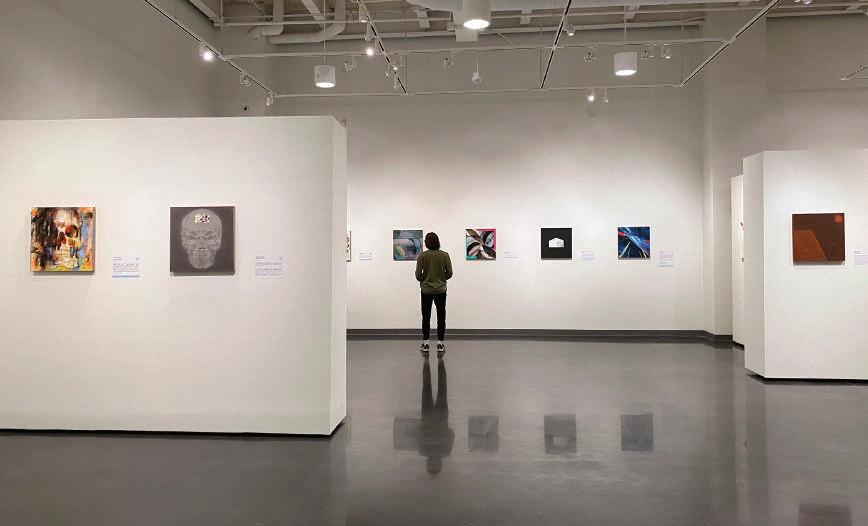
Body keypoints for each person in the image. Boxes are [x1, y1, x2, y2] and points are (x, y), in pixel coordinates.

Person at [415, 232, 453, 359]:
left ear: (426, 243)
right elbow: (450, 273)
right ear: (438, 241)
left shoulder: (422, 256)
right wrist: (441, 278)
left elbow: (418, 275)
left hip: (426, 290)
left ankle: (426, 344)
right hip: (441, 290)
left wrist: (425, 280)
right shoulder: (444, 255)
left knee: (426, 317)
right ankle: (440, 344)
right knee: (441, 317)